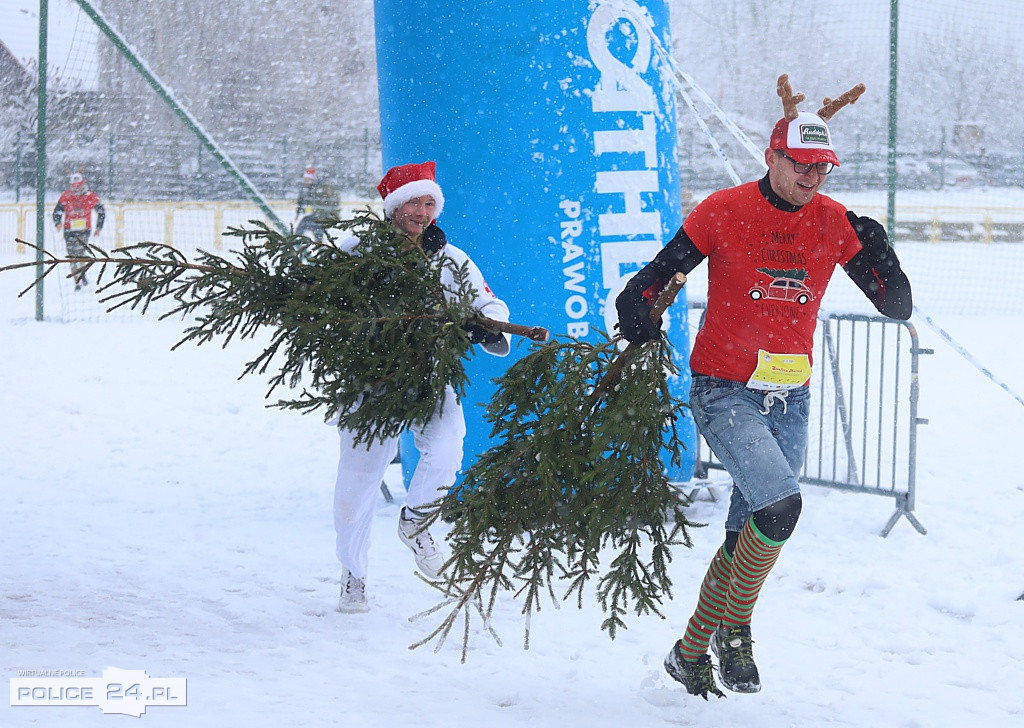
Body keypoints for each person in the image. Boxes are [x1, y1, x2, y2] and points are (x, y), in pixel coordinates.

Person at [615, 77, 912, 698]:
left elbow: (894, 305)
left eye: (822, 168)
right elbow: (661, 271)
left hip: (790, 393)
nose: (811, 178)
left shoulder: (834, 222)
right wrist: (638, 304)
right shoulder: (722, 210)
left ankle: (689, 652)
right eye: (800, 165)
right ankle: (737, 629)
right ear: (773, 157)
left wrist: (885, 258)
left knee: (746, 531)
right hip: (724, 388)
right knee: (780, 507)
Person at [333, 160, 511, 613]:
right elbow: (322, 300)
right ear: (394, 206)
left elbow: (488, 300)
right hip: (370, 382)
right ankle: (353, 574)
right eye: (414, 201)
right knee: (359, 482)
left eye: (430, 203)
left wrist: (490, 327)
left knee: (449, 446)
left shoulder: (450, 258)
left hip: (429, 375)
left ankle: (417, 522)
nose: (423, 211)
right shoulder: (355, 249)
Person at [53, 171, 105, 290]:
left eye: (78, 185)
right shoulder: (66, 196)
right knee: (71, 255)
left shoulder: (90, 196)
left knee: (81, 254)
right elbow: (57, 211)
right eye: (73, 186)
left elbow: (101, 211)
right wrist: (58, 223)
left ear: (83, 184)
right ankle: (76, 280)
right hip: (69, 230)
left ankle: (81, 274)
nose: (76, 188)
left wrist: (99, 227)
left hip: (84, 230)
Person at [294, 166, 339, 243]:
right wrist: (298, 212)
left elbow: (321, 205)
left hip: (320, 217)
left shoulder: (318, 190)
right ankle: (297, 243)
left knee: (314, 230)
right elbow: (301, 201)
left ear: (312, 179)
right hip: (314, 217)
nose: (306, 181)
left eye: (308, 179)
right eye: (305, 179)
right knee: (308, 229)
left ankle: (297, 243)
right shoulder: (305, 189)